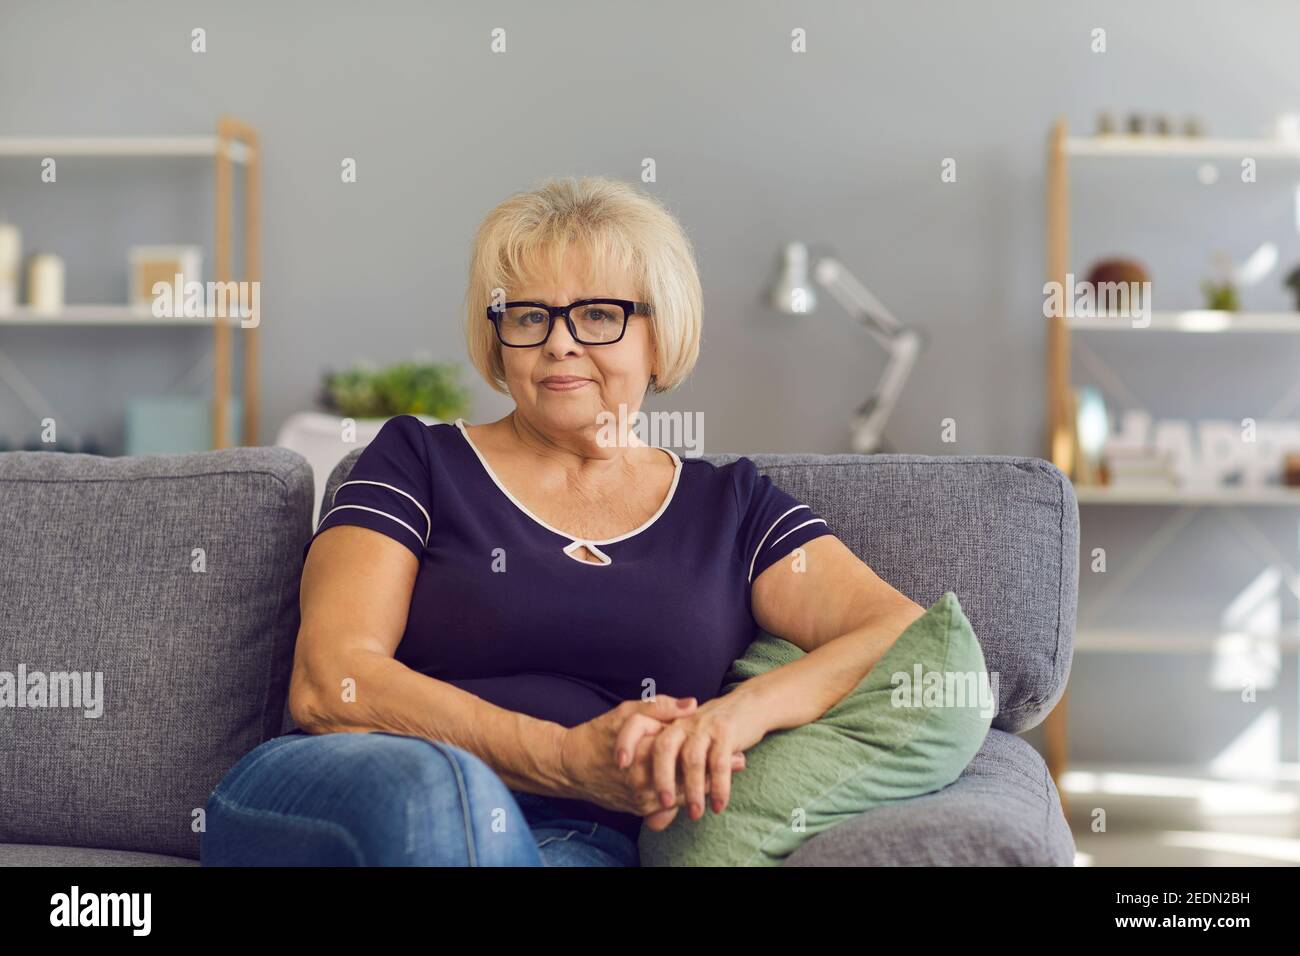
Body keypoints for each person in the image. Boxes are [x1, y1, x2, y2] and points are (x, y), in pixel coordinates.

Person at [200, 176, 925, 867]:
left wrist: (739, 716)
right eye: (527, 315)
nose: (559, 343)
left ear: (658, 332)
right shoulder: (417, 460)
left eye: (599, 315)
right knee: (435, 794)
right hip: (349, 790)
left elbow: (896, 630)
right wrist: (561, 757)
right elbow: (331, 682)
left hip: (575, 838)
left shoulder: (730, 508)